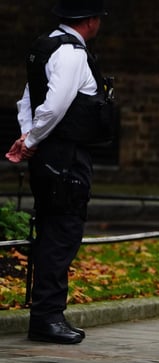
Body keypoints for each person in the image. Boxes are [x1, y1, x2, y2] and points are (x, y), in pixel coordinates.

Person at [4, 0, 110, 344]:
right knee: (62, 234)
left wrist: (27, 137)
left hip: (49, 152)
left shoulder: (45, 45)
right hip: (65, 155)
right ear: (90, 21)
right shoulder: (73, 54)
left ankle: (49, 315)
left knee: (52, 229)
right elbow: (56, 104)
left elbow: (27, 101)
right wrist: (32, 138)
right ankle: (47, 318)